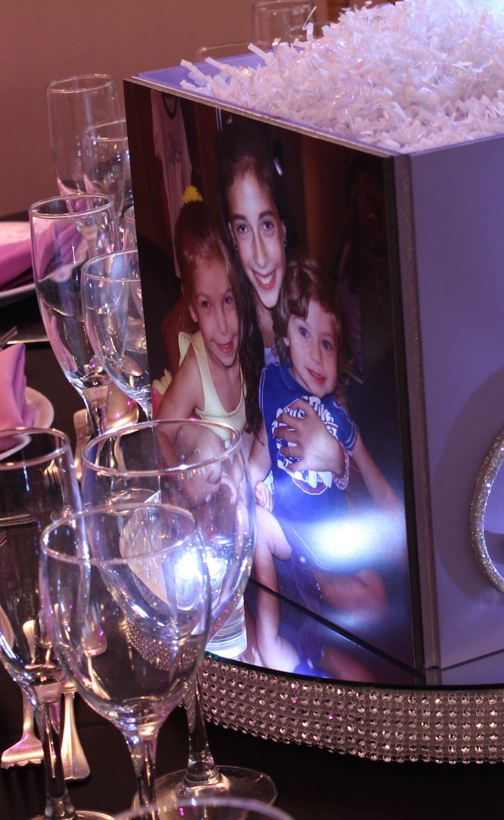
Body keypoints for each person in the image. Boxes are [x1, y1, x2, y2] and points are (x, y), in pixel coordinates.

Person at [249, 256, 402, 672]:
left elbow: (371, 479)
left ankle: (309, 596)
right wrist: (249, 485)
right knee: (260, 525)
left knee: (376, 595)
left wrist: (340, 464)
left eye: (327, 343)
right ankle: (269, 637)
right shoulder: (276, 391)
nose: (316, 355)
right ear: (285, 340)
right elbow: (260, 450)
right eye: (303, 333)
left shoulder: (339, 417)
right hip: (287, 535)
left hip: (324, 549)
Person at [157, 192, 262, 437]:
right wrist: (183, 475)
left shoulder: (249, 341)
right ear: (191, 307)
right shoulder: (193, 372)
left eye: (228, 300)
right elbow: (161, 433)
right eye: (206, 305)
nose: (224, 327)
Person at [220, 140, 291, 358]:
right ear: (232, 235)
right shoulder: (229, 326)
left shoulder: (310, 312)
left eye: (267, 225)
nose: (260, 258)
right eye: (243, 228)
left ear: (283, 229)